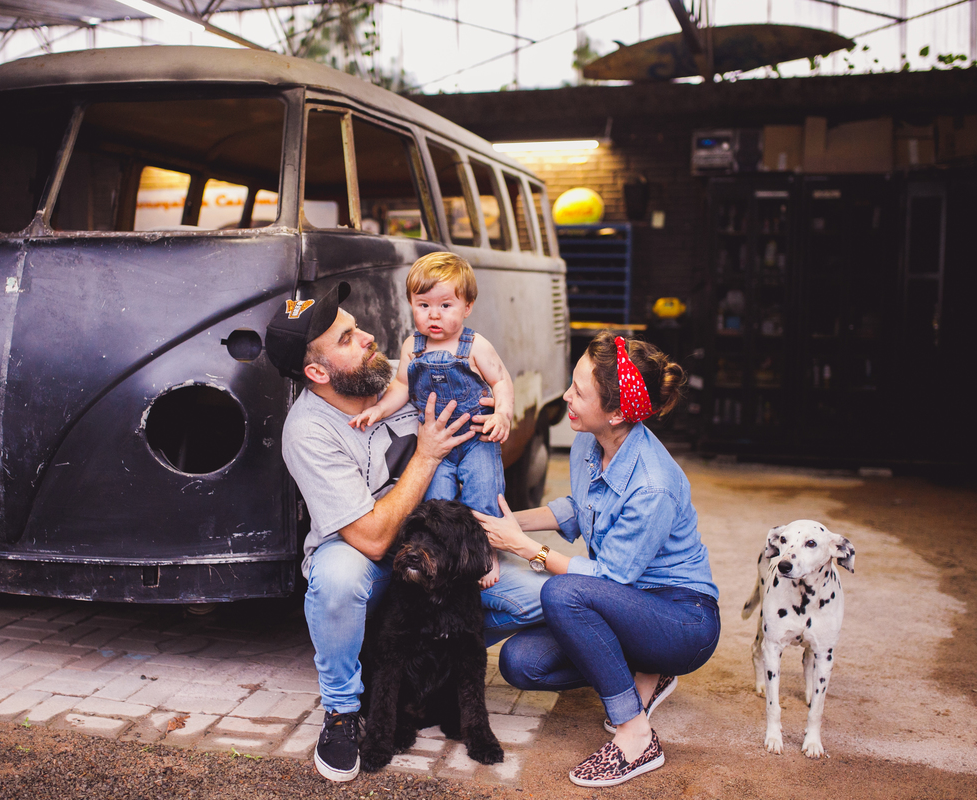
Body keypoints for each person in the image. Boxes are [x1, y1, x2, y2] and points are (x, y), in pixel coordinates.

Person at [265, 282, 547, 783]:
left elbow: (482, 411)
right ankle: (342, 710)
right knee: (336, 580)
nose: (368, 337)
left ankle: (436, 656)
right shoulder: (309, 431)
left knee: (543, 598)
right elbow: (372, 539)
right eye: (348, 338)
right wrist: (427, 454)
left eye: (357, 327)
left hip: (440, 558)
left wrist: (492, 414)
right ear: (318, 372)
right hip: (366, 557)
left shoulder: (413, 372)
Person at [473, 332, 720, 788]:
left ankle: (635, 735)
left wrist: (526, 549)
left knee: (562, 593)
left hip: (681, 619)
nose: (566, 396)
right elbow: (579, 507)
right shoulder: (591, 443)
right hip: (625, 606)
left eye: (578, 391)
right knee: (520, 662)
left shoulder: (653, 484)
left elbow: (611, 577)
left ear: (617, 413)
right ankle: (644, 673)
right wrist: (505, 525)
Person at [349, 252, 514, 587]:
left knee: (483, 497)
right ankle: (442, 559)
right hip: (437, 448)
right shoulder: (413, 346)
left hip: (477, 440)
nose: (434, 314)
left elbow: (501, 381)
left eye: (445, 305)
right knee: (436, 504)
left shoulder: (475, 346)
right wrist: (380, 409)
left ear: (467, 307)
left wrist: (502, 413)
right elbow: (401, 385)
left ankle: (488, 553)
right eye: (423, 305)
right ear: (411, 304)